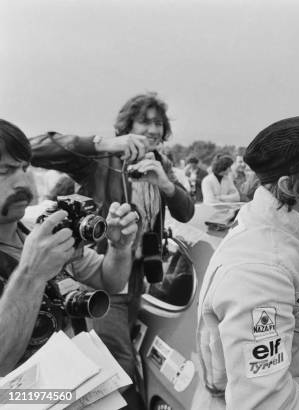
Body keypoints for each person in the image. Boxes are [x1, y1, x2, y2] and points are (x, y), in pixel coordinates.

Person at [30, 92, 195, 409]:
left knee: (120, 353)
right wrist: (102, 144)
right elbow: (35, 149)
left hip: (137, 278)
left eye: (158, 123)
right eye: (143, 121)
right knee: (117, 362)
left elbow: (186, 212)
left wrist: (166, 185)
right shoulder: (101, 160)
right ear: (126, 127)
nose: (152, 129)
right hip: (99, 274)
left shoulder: (160, 164)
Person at [196, 116, 299, 409]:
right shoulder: (259, 269)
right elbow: (263, 402)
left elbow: (268, 325)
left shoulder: (291, 233)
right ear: (290, 186)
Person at [0, 119, 140, 375]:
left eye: (23, 167)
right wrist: (31, 274)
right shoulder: (40, 248)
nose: (23, 182)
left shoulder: (38, 235)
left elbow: (109, 281)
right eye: (4, 171)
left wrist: (119, 248)